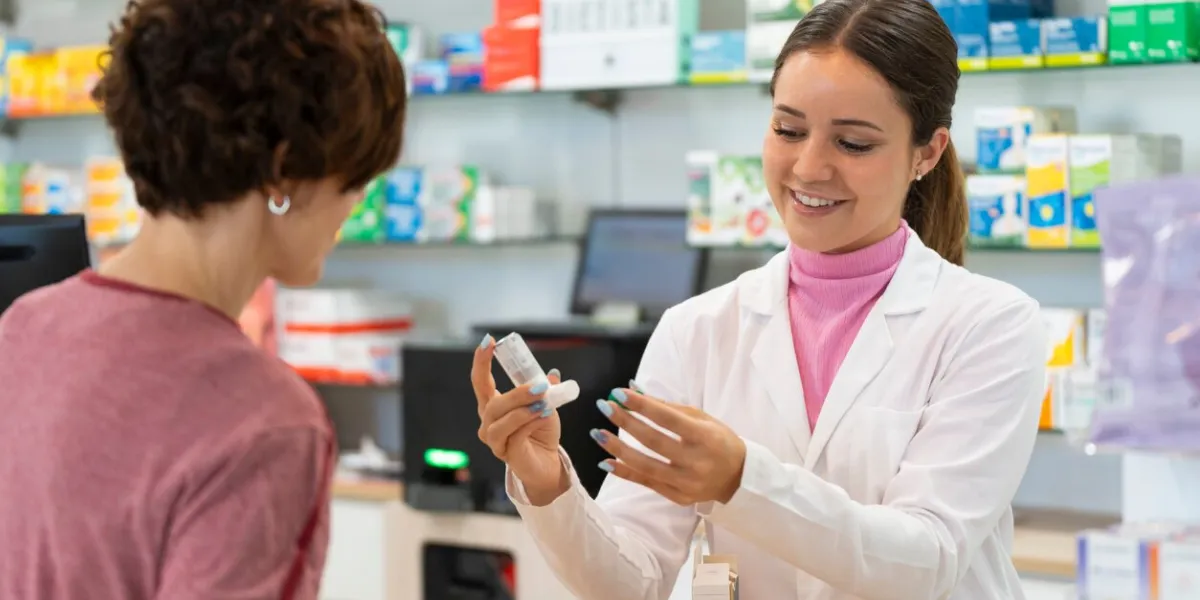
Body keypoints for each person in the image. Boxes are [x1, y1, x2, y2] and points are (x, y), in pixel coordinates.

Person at [471, 0, 1047, 598]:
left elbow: (926, 561)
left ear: (926, 152)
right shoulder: (696, 329)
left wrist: (741, 480)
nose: (808, 166)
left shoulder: (991, 325)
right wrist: (547, 483)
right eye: (788, 129)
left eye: (852, 143)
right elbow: (630, 583)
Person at [0, 0, 406, 598]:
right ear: (285, 171)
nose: (354, 207)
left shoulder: (24, 328)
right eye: (358, 176)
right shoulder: (265, 421)